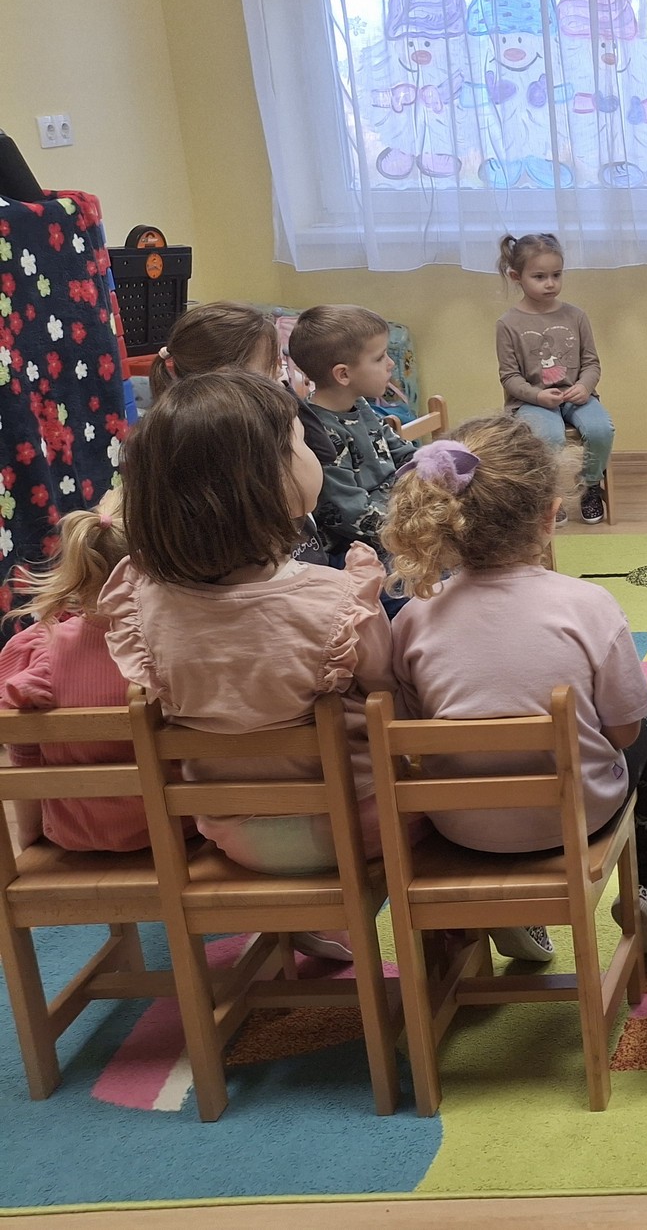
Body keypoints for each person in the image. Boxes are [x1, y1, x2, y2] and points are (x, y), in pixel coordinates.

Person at [101, 372, 389, 957]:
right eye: (300, 441)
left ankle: (315, 924)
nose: (314, 450)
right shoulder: (338, 600)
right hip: (359, 826)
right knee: (434, 789)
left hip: (231, 834)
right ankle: (469, 929)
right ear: (269, 483)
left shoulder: (141, 606)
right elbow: (391, 697)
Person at [385, 418, 647, 961]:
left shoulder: (412, 619)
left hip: (459, 824)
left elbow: (412, 733)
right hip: (574, 820)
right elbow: (623, 731)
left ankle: (515, 915)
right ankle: (646, 890)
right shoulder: (588, 607)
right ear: (550, 515)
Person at [0, 495, 150, 854]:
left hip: (72, 839)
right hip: (179, 833)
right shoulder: (167, 649)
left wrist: (30, 840)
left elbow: (23, 749)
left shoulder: (38, 651)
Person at [151, 301, 340, 540]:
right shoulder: (230, 431)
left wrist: (280, 389)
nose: (280, 371)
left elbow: (324, 450)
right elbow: (323, 456)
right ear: (227, 374)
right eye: (270, 363)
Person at [495, 232, 614, 524]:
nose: (550, 283)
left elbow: (591, 363)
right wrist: (537, 396)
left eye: (556, 275)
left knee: (601, 430)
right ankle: (550, 493)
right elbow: (509, 376)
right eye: (539, 276)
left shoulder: (576, 316)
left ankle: (590, 485)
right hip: (531, 401)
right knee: (548, 436)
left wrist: (584, 386)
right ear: (516, 276)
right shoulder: (508, 324)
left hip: (576, 396)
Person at [291, 303, 418, 558]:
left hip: (398, 514)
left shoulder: (359, 405)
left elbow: (400, 452)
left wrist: (437, 469)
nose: (390, 364)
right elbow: (352, 514)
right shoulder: (321, 433)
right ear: (343, 375)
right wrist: (417, 526)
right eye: (379, 358)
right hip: (361, 546)